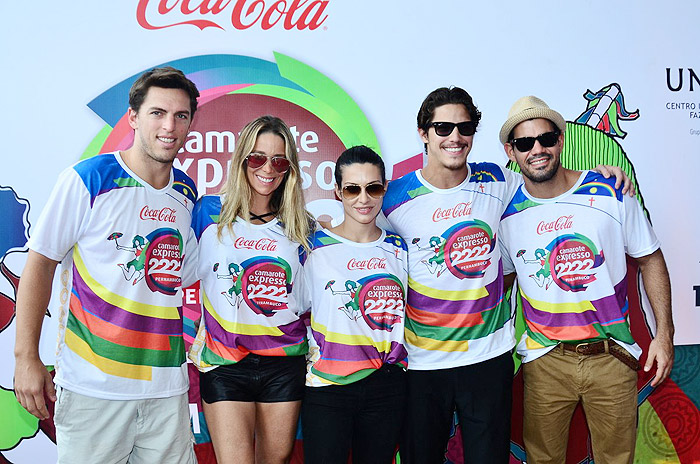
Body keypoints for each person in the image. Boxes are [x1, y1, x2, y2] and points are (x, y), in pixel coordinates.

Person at [380, 87, 634, 463]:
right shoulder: (393, 198)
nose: (455, 137)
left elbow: (552, 185)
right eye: (443, 127)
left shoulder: (501, 181)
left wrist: (599, 175)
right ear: (423, 133)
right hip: (422, 363)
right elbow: (360, 239)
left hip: (489, 358)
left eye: (464, 127)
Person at [13, 67, 200, 463]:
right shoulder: (89, 178)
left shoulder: (185, 191)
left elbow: (182, 276)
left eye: (181, 116)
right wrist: (26, 357)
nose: (170, 126)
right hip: (94, 389)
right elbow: (40, 262)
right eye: (157, 113)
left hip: (167, 390)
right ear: (132, 118)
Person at [497, 95, 674, 464]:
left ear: (560, 140)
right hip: (545, 362)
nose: (537, 150)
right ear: (511, 152)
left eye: (545, 138)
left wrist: (664, 334)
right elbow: (502, 283)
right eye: (525, 143)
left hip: (611, 356)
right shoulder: (504, 213)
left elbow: (651, 258)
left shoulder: (611, 191)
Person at [188, 115, 313, 464]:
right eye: (257, 158)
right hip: (225, 362)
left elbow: (308, 298)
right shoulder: (207, 213)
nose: (268, 169)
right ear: (242, 160)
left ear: (289, 168)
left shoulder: (302, 227)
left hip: (284, 363)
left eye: (279, 160)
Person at [301, 145, 409, 464]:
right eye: (352, 189)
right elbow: (291, 311)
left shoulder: (399, 249)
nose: (364, 198)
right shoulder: (312, 247)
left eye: (373, 188)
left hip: (386, 387)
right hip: (326, 387)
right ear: (337, 191)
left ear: (384, 189)